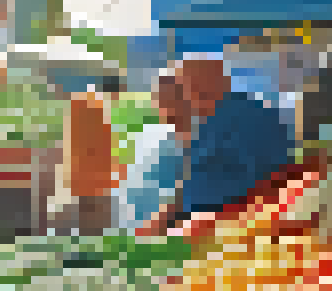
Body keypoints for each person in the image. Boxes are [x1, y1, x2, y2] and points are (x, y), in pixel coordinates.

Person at [133, 58, 298, 235]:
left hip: (243, 218)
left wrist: (155, 227)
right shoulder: (241, 111)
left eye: (189, 90)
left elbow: (199, 194)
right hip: (259, 209)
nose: (191, 97)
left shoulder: (221, 121)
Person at [60, 86, 119, 236]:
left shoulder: (85, 110)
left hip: (91, 183)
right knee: (92, 223)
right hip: (94, 183)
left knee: (91, 223)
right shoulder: (93, 111)